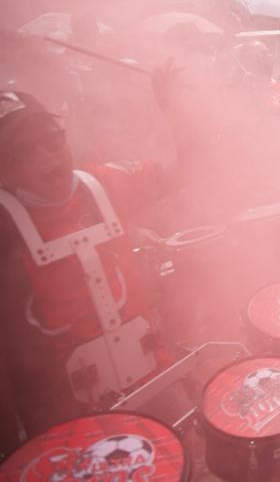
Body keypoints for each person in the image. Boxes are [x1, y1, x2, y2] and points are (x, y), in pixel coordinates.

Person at [0, 68, 188, 453]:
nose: (45, 155)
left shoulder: (100, 182)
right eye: (21, 149)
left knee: (191, 459)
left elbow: (188, 167)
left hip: (159, 385)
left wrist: (176, 106)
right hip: (69, 428)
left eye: (51, 139)